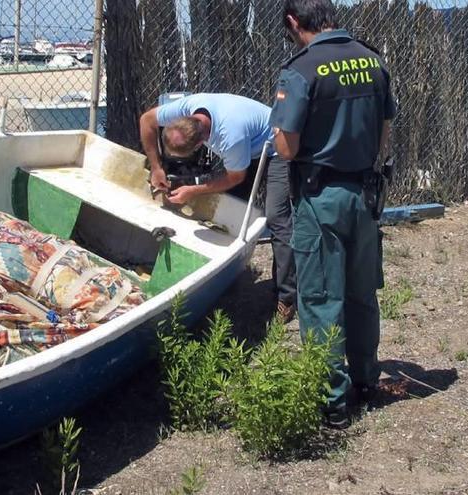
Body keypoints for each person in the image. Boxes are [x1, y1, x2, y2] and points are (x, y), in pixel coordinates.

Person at [270, 0, 396, 427]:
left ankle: (332, 401)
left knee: (322, 296)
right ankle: (366, 381)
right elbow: (384, 131)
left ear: (293, 22)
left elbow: (286, 147)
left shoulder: (302, 69)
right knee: (362, 292)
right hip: (364, 193)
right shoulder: (372, 60)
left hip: (320, 197)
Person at [140, 93, 297, 322]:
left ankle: (286, 297)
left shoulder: (229, 135)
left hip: (275, 148)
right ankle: (227, 275)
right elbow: (147, 120)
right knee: (230, 210)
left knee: (277, 217)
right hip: (248, 146)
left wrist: (193, 191)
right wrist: (156, 167)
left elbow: (236, 177)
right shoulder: (186, 107)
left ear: (202, 141)